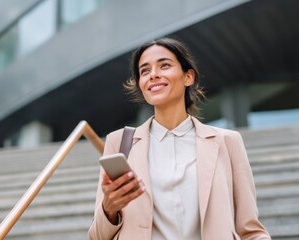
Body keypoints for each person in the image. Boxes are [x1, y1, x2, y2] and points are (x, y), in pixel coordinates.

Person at [88, 37, 271, 240]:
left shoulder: (227, 141)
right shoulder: (121, 142)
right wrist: (109, 208)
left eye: (164, 65)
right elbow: (97, 237)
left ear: (188, 77)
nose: (153, 75)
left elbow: (251, 231)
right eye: (145, 71)